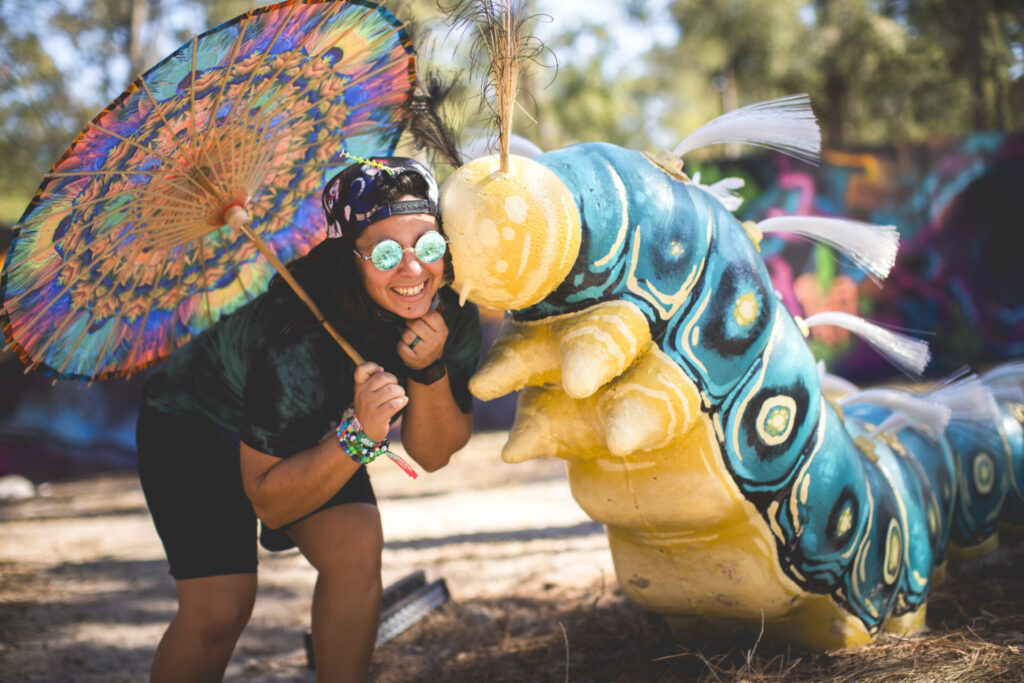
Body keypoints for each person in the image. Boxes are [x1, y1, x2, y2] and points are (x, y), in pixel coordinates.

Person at [136, 156, 481, 682]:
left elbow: (434, 454)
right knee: (220, 605)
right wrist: (360, 436)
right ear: (350, 258)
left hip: (308, 422)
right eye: (387, 253)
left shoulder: (452, 305)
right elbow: (270, 503)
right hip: (195, 417)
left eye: (428, 245)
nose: (414, 270)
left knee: (355, 542)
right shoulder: (297, 334)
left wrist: (429, 370)